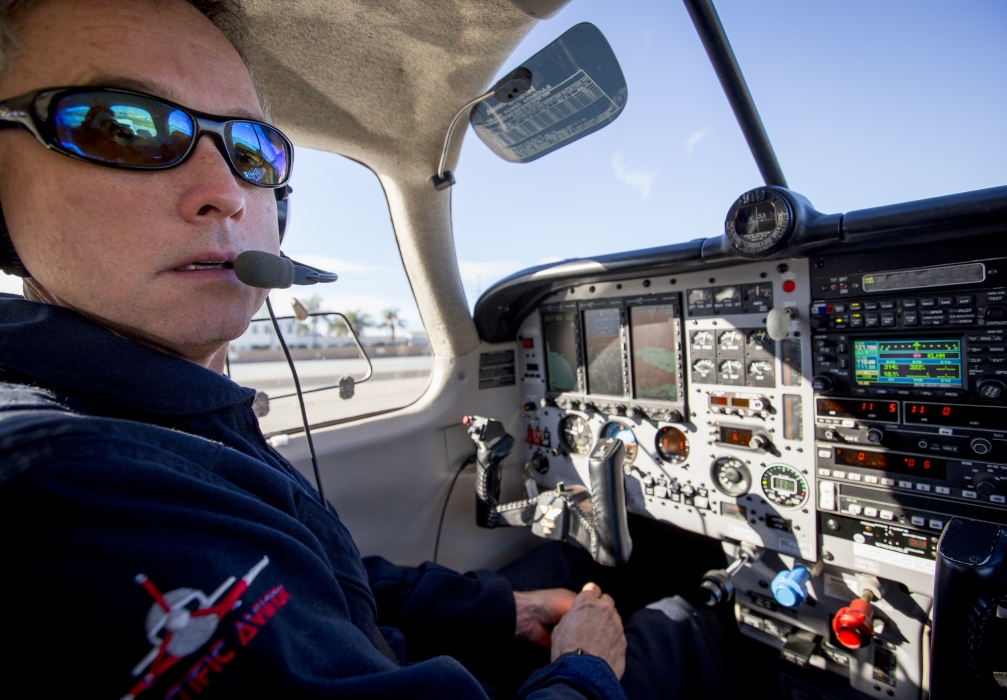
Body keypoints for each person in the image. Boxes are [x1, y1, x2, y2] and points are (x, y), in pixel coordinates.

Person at [0, 1, 731, 698]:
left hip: (382, 650)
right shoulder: (75, 490)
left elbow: (320, 574)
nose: (223, 190)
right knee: (688, 627)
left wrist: (502, 613)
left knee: (566, 563)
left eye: (252, 151)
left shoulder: (167, 415)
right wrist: (586, 669)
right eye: (122, 128)